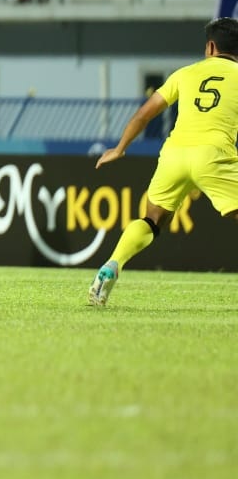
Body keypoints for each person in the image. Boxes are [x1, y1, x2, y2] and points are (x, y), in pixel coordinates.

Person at [90, 17, 238, 306]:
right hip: (214, 154)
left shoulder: (185, 73)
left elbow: (144, 113)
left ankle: (112, 264)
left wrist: (120, 148)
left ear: (210, 46)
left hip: (174, 154)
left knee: (151, 219)